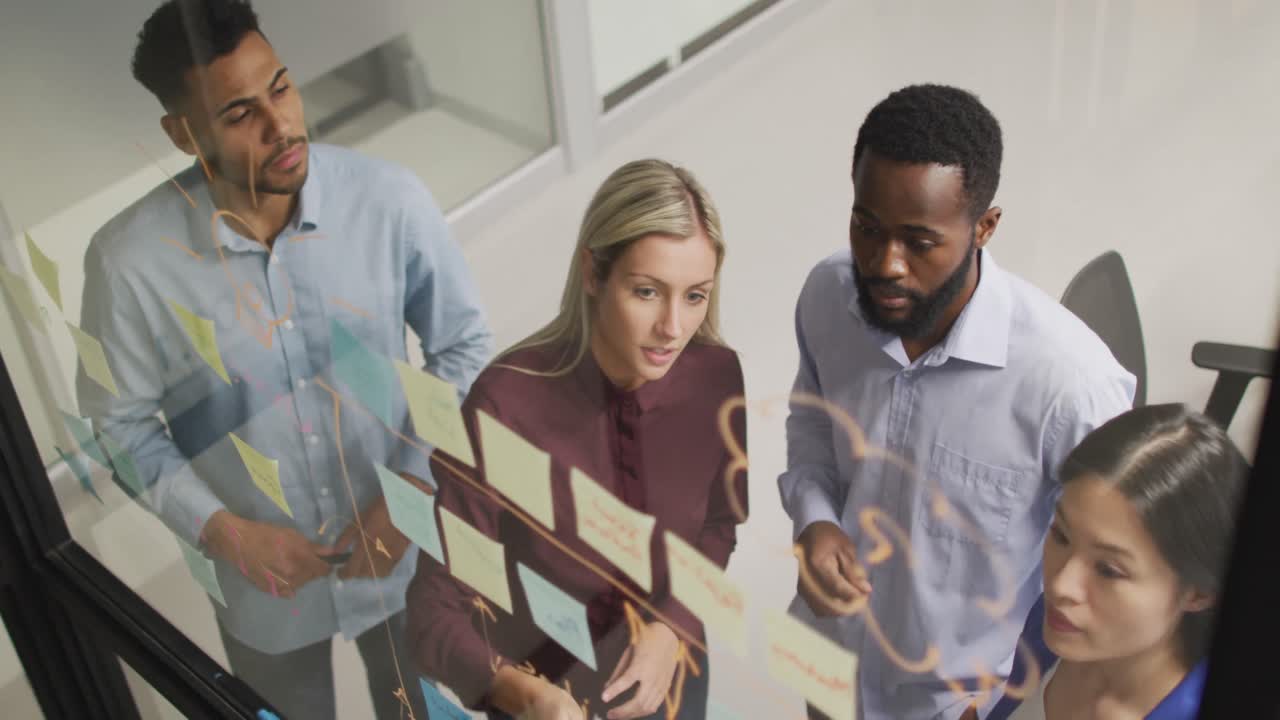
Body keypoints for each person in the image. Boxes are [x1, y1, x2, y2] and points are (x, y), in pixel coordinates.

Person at [75, 1, 491, 718]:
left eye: (282, 87)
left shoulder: (389, 201)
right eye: (239, 114)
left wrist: (416, 491)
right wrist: (223, 532)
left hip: (408, 565)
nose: (282, 127)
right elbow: (120, 427)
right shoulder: (130, 266)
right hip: (262, 599)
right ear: (184, 135)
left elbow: (465, 348)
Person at [778, 83, 1137, 720]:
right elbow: (811, 422)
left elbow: (1105, 573)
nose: (884, 263)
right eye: (867, 227)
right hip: (831, 670)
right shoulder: (828, 296)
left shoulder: (1071, 388)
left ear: (985, 227)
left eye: (918, 242)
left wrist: (1003, 691)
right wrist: (814, 521)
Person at [406, 158, 748, 720]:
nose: (673, 328)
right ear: (593, 274)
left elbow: (718, 526)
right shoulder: (504, 408)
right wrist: (520, 693)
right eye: (646, 291)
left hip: (675, 677)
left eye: (695, 296)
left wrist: (672, 627)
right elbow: (433, 611)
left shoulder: (716, 377)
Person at [982, 404, 1249, 719]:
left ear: (1199, 592)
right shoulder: (1053, 625)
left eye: (1108, 570)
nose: (1059, 585)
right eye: (1061, 537)